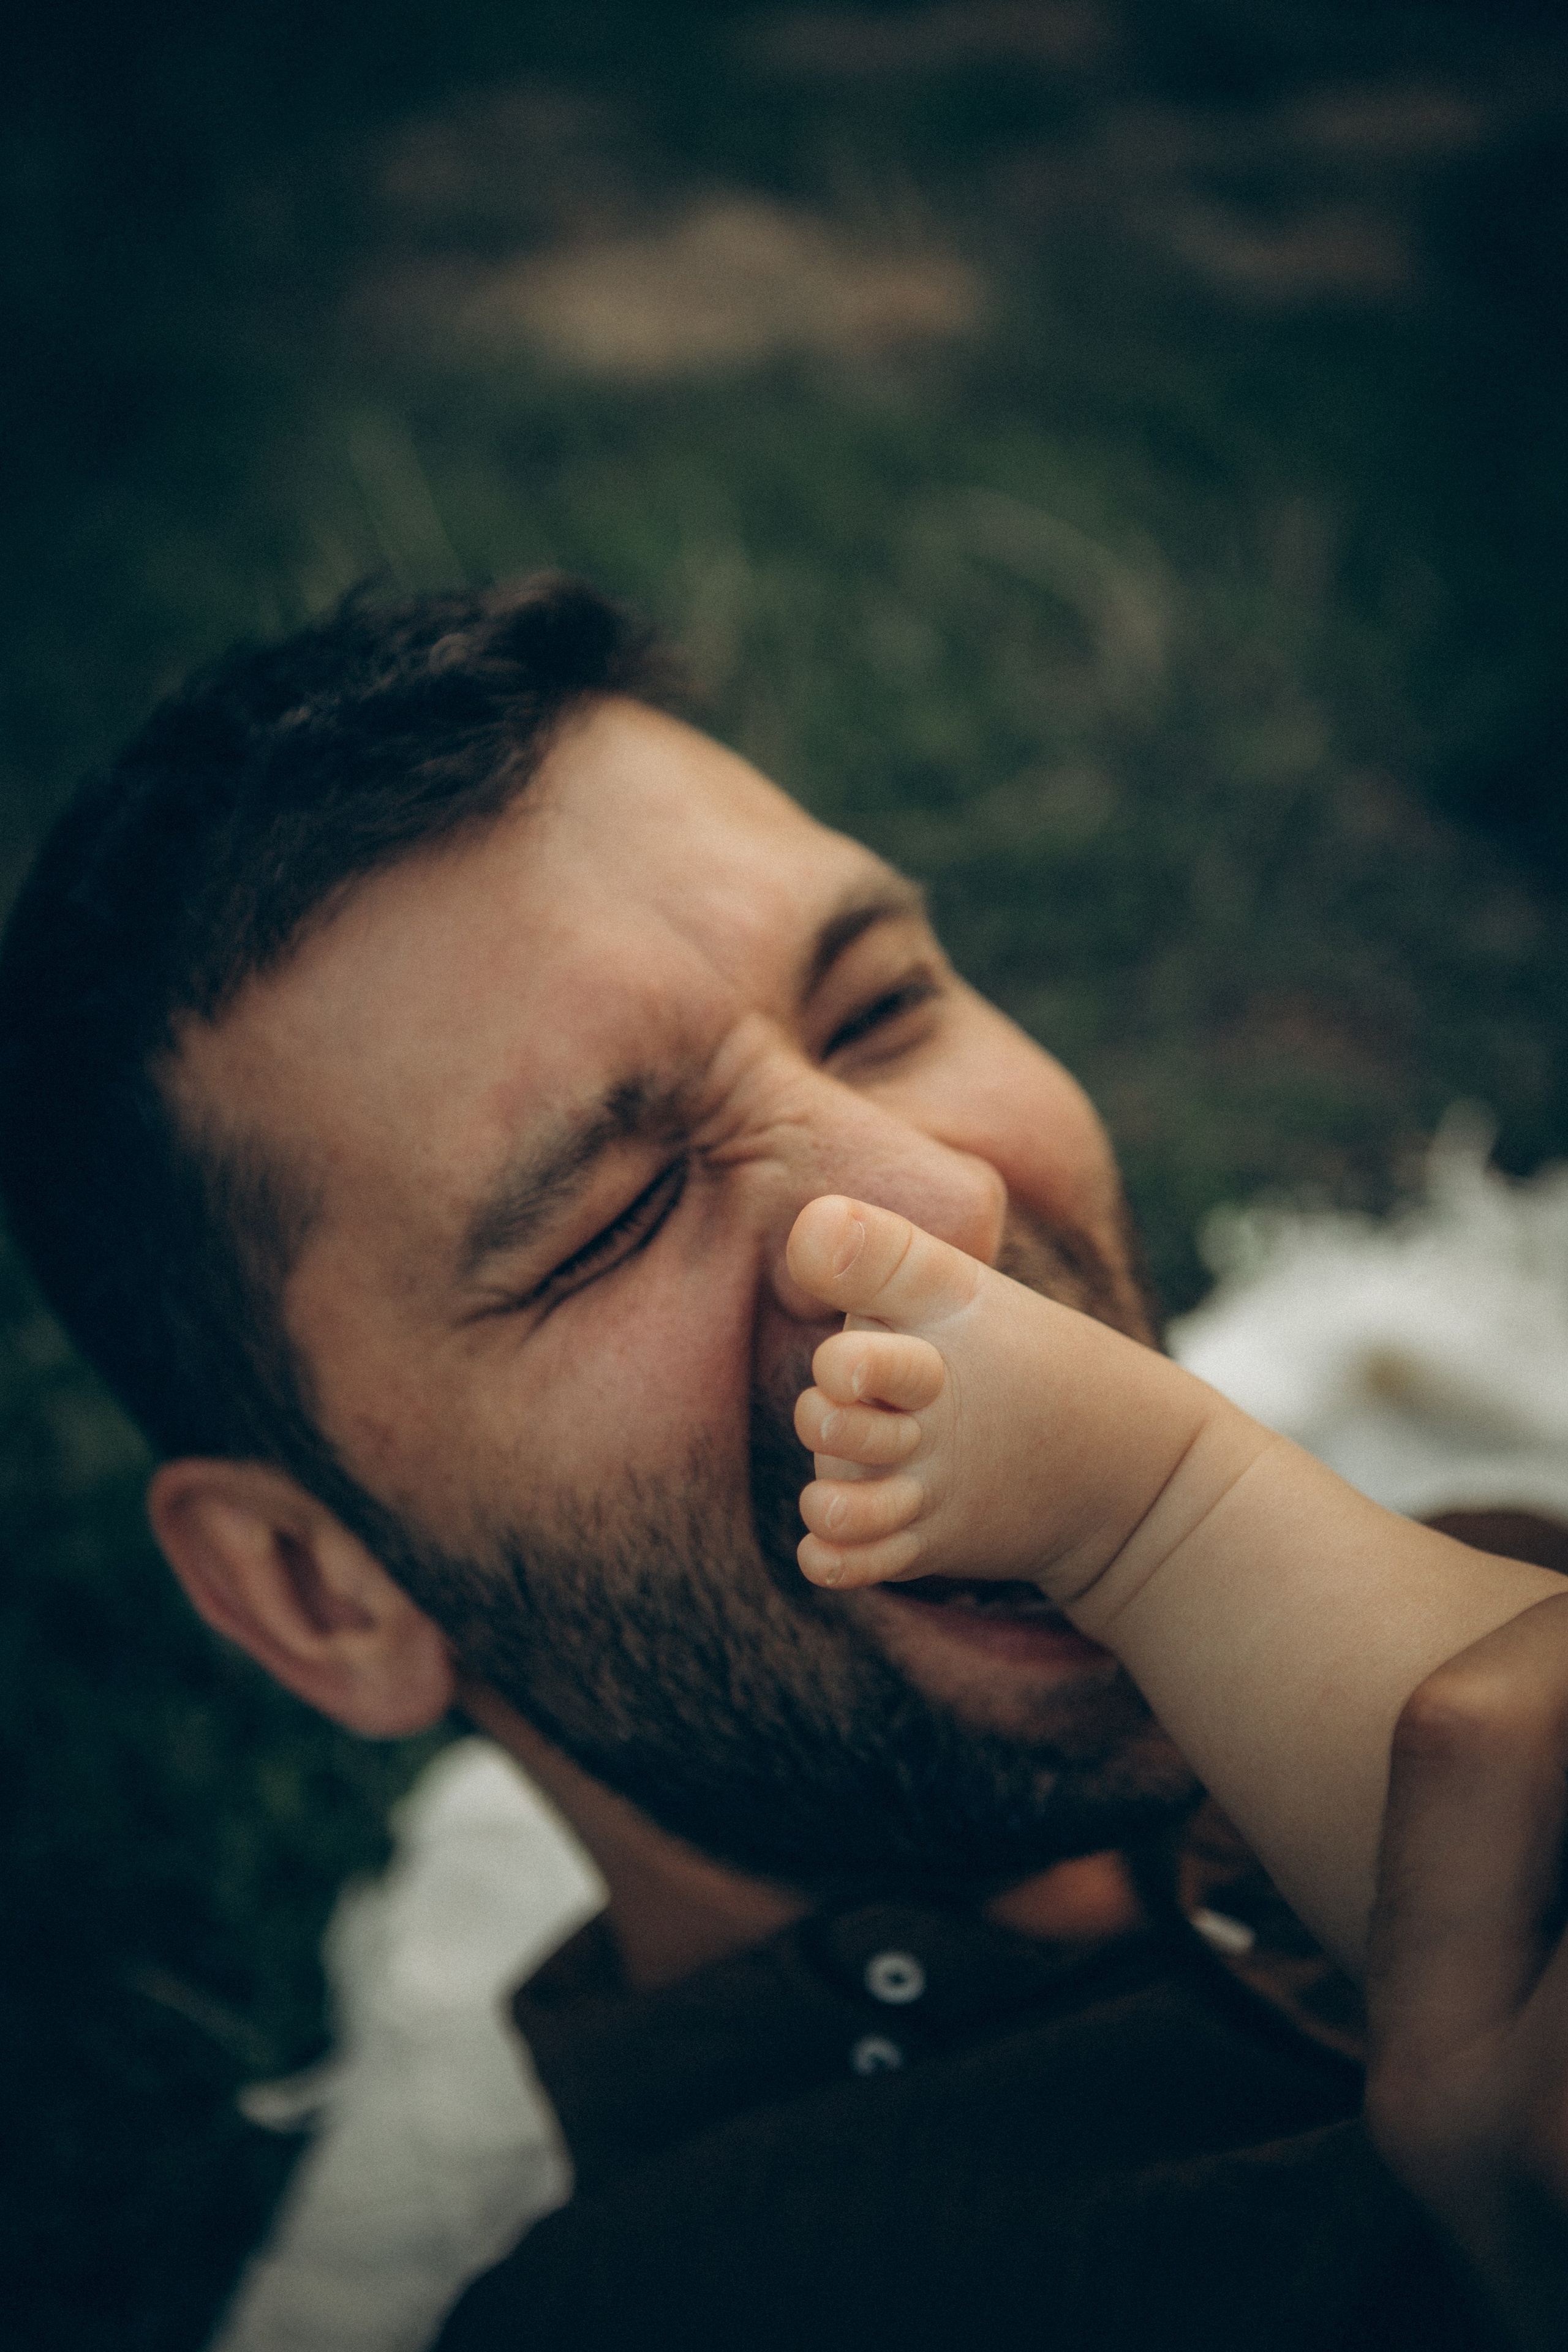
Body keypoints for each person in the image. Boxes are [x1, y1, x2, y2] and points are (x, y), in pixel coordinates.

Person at [0, 576, 1564, 2349]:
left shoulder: (1471, 1559)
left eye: (881, 1008)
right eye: (613, 1217)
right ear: (323, 1593)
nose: (939, 1201)